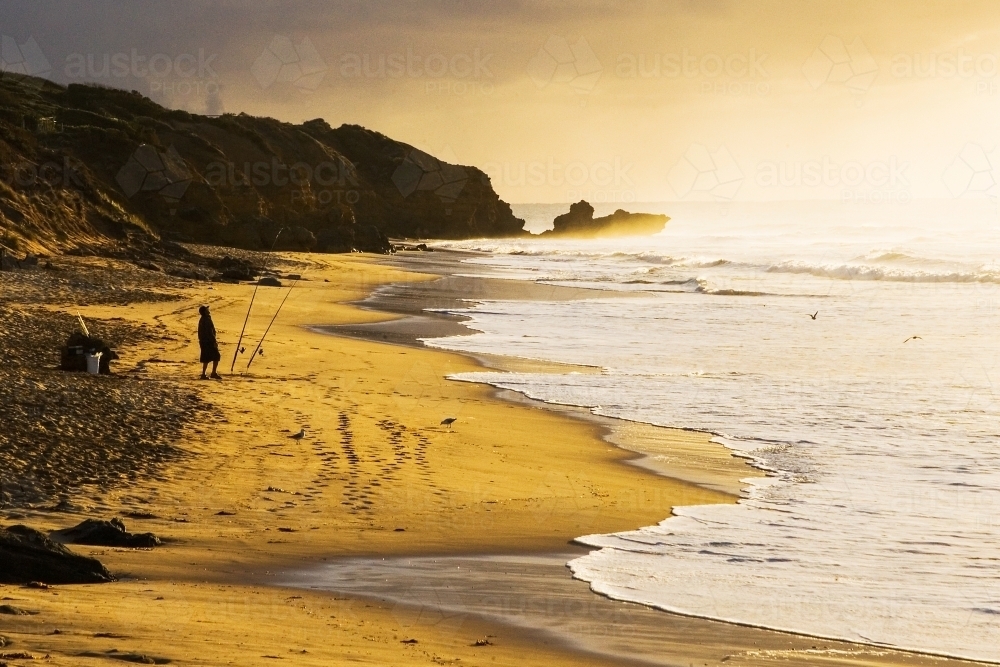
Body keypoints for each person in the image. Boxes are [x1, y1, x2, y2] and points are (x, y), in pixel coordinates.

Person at [198, 305, 222, 380]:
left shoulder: (203, 319)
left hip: (203, 341)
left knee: (206, 358)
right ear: (205, 311)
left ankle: (204, 374)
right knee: (216, 356)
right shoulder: (206, 319)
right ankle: (212, 373)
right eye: (207, 309)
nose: (208, 310)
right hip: (208, 341)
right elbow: (209, 332)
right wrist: (214, 341)